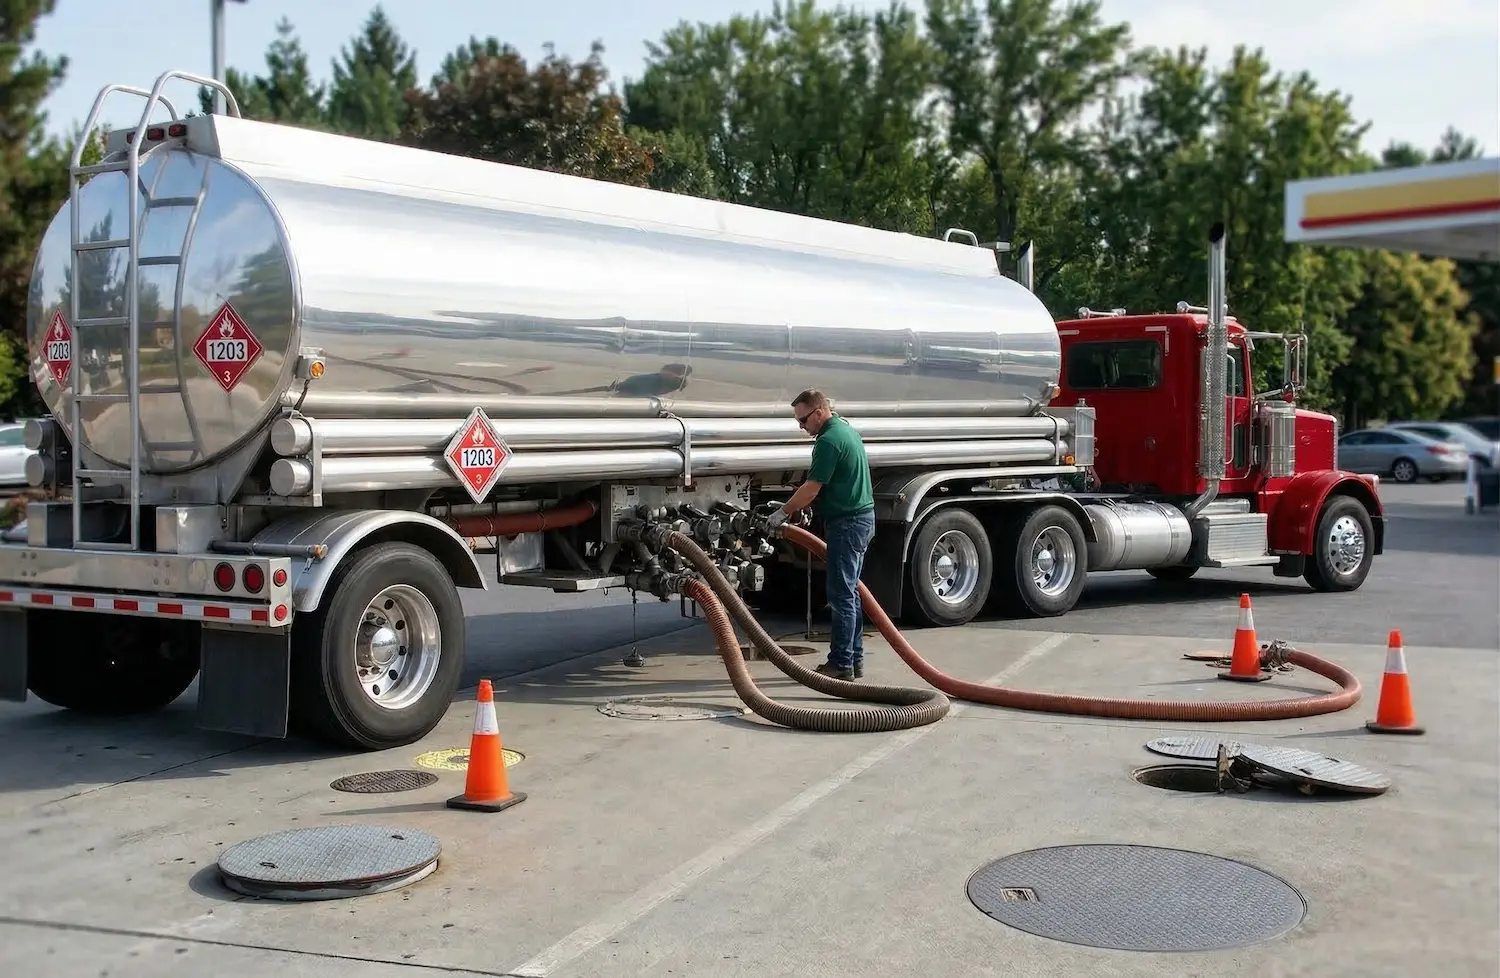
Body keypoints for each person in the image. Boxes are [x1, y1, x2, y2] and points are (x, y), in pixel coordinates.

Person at [766, 389, 876, 681]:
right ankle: (853, 660)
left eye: (803, 420)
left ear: (819, 412)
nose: (801, 427)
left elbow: (812, 487)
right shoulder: (845, 430)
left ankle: (841, 664)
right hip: (859, 520)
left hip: (848, 523)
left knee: (841, 596)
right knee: (849, 594)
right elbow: (832, 483)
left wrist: (783, 512)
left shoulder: (828, 440)